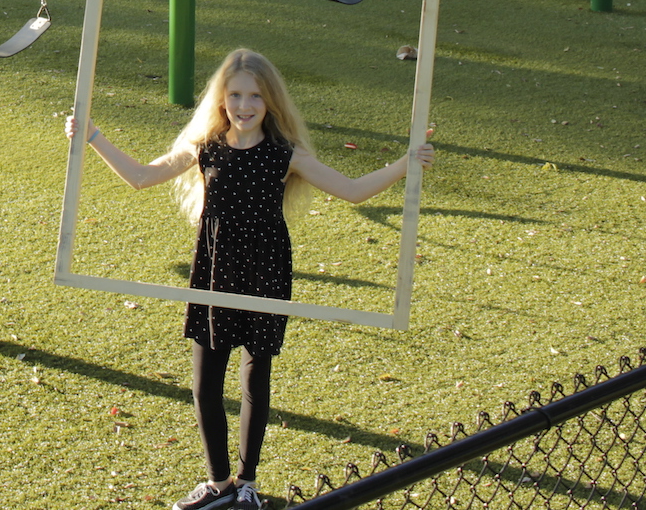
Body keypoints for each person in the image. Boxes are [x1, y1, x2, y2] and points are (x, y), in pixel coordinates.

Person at [74, 48, 434, 510]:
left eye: (255, 97)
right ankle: (218, 482)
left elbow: (353, 190)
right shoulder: (203, 145)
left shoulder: (287, 154)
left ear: (270, 102)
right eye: (235, 95)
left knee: (254, 377)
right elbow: (142, 177)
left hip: (266, 270)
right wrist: (92, 136)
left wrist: (407, 162)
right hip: (215, 269)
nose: (244, 106)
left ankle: (246, 484)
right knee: (205, 383)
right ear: (222, 99)